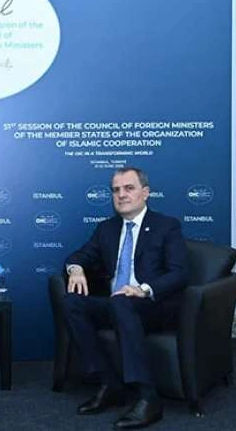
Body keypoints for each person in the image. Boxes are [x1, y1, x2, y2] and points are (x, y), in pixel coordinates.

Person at [63, 167, 188, 429]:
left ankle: (148, 397)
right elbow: (79, 256)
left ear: (145, 193)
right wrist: (75, 269)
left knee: (121, 302)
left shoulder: (167, 226)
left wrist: (143, 289)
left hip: (152, 306)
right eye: (116, 190)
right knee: (72, 301)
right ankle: (109, 383)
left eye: (129, 188)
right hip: (117, 303)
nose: (121, 195)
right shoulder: (106, 229)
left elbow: (179, 273)